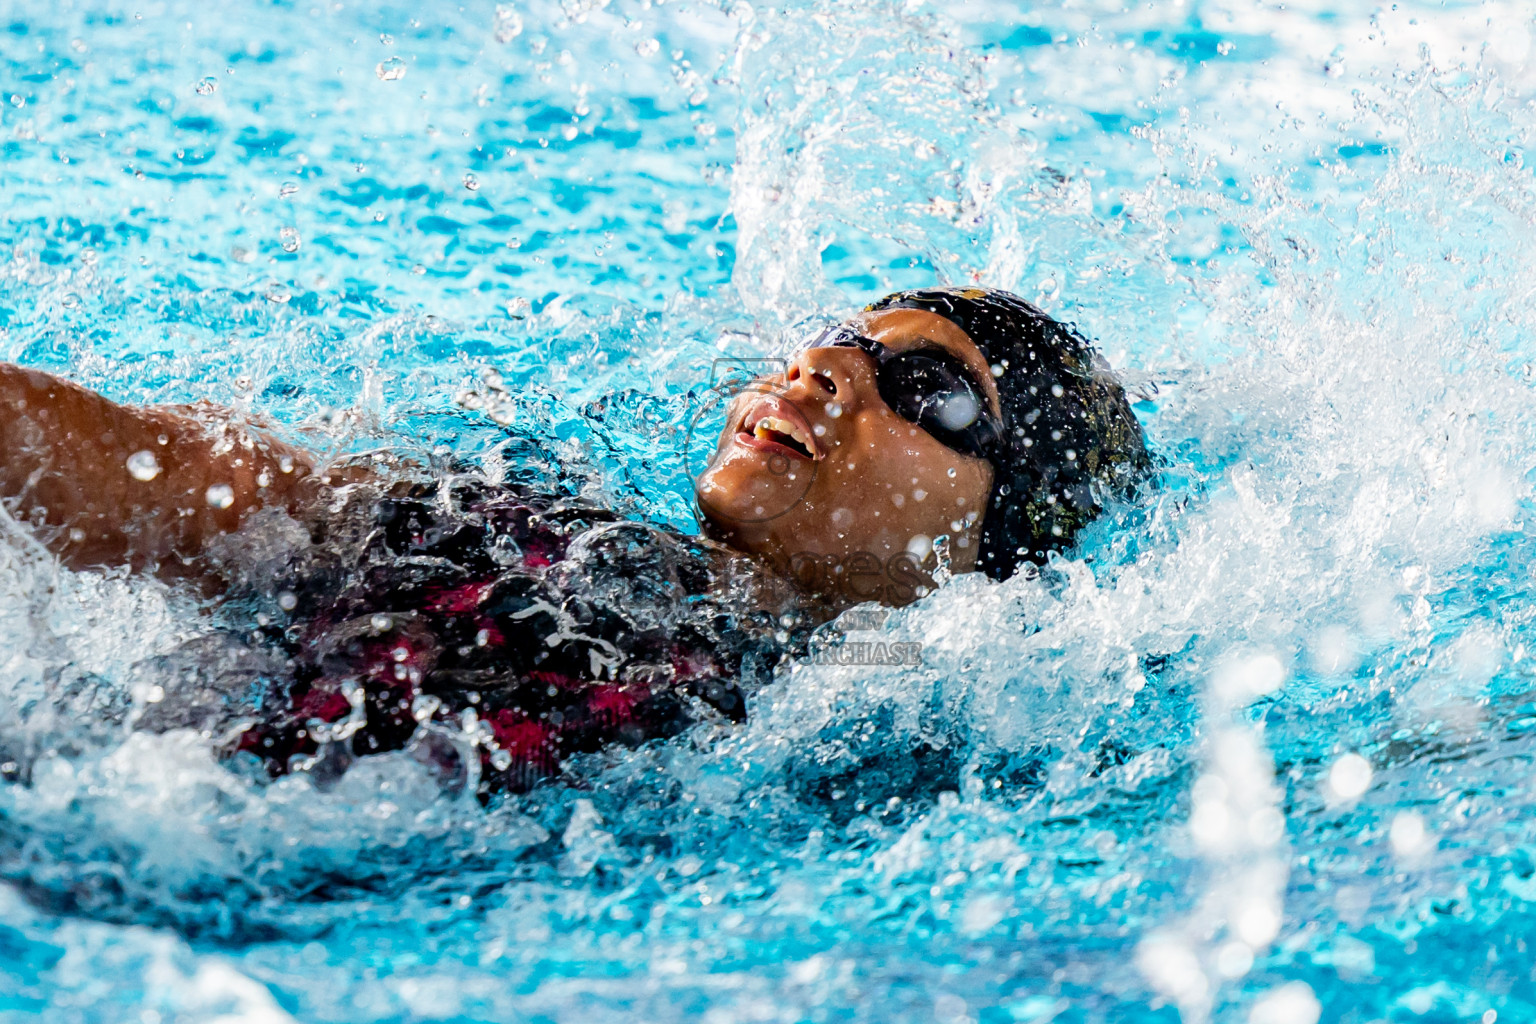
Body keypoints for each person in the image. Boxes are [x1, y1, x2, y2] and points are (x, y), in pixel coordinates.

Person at [0, 287, 1148, 795]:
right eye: (839, 334)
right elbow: (195, 485)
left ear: (996, 550)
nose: (824, 366)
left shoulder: (873, 754)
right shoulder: (513, 511)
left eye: (929, 386)